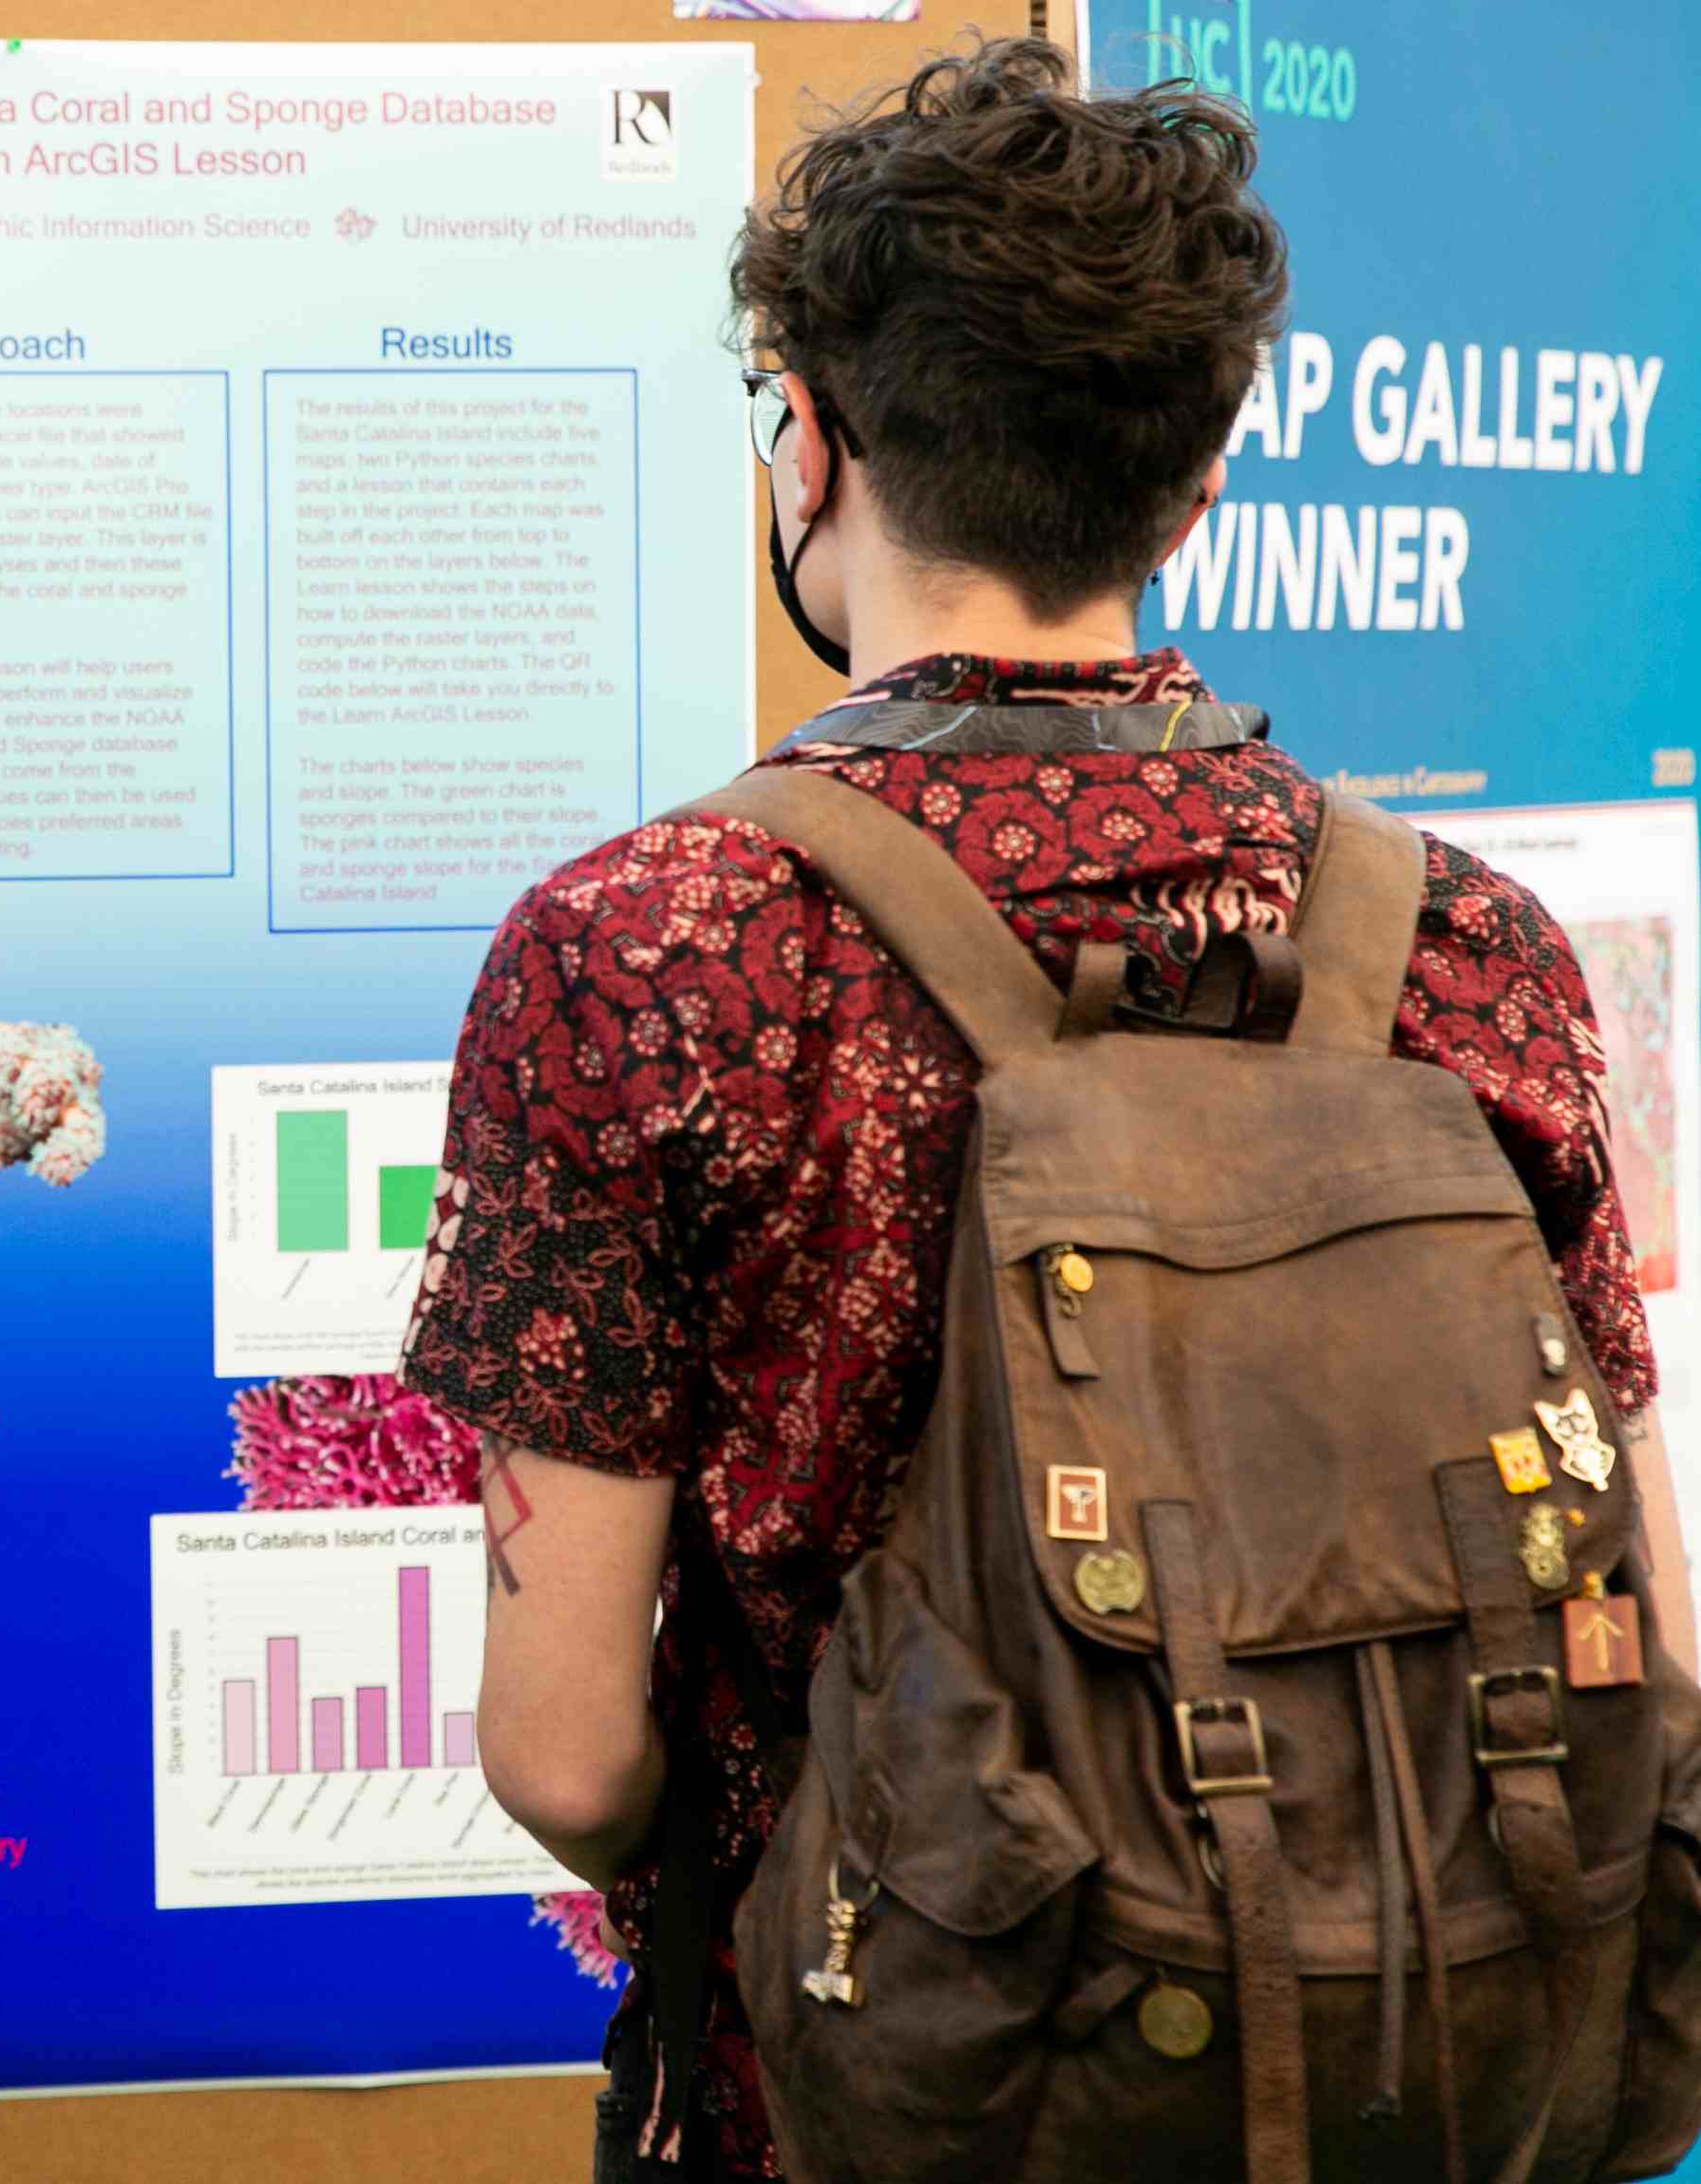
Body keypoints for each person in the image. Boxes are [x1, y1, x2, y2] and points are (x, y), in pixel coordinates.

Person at [396, 38, 1692, 2180]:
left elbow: (559, 1753)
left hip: (870, 2086)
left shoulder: (646, 949)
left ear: (800, 444)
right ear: (1193, 489)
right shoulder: (1464, 938)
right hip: (1410, 2067)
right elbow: (1634, 1597)